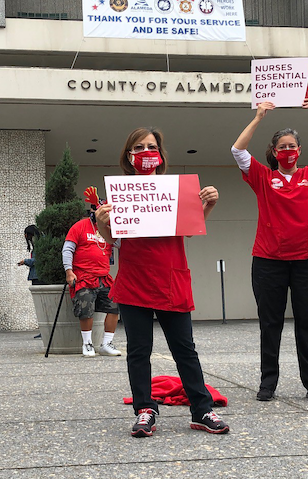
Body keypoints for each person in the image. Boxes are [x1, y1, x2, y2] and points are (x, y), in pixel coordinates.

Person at [95, 127, 230, 437]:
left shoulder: (176, 190)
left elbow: (188, 228)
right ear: (129, 156)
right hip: (134, 280)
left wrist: (208, 204)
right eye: (139, 147)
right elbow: (114, 241)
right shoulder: (120, 196)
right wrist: (103, 226)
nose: (146, 152)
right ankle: (144, 409)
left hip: (171, 278)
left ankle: (201, 409)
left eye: (151, 146)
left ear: (160, 153)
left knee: (185, 349)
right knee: (139, 351)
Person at [231, 99, 308, 403]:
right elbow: (238, 151)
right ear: (273, 152)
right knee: (270, 324)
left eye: (292, 146)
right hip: (269, 262)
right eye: (281, 147)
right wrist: (258, 118)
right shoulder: (263, 177)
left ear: (299, 150)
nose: (287, 151)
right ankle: (267, 383)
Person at [63, 189, 123, 357]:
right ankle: (88, 343)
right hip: (83, 276)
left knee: (114, 306)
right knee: (85, 307)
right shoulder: (79, 226)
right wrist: (69, 271)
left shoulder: (110, 228)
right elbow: (68, 249)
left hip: (103, 276)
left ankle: (106, 343)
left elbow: (123, 245)